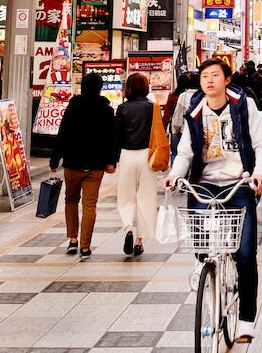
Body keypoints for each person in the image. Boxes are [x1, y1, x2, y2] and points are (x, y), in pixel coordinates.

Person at [166, 58, 262, 344]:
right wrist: (175, 174)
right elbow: (185, 150)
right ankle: (207, 270)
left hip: (239, 184)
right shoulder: (195, 109)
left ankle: (246, 318)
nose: (209, 80)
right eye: (204, 76)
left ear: (227, 80)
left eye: (215, 75)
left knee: (246, 253)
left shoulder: (242, 104)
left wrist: (259, 173)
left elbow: (261, 144)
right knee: (200, 243)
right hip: (205, 184)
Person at [50, 73, 117, 259]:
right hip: (95, 166)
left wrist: (55, 159)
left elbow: (62, 133)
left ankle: (72, 239)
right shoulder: (106, 110)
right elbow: (112, 138)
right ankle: (85, 246)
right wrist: (111, 161)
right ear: (100, 88)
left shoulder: (73, 107)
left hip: (72, 163)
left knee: (71, 200)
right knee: (90, 205)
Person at [114, 72, 156, 256]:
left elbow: (117, 136)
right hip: (147, 155)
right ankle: (139, 240)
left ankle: (128, 229)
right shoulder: (152, 107)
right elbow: (157, 133)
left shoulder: (123, 108)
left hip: (127, 154)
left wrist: (112, 160)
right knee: (145, 197)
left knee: (126, 196)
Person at [166, 74, 198, 164]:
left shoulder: (181, 95)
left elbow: (177, 114)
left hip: (181, 130)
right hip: (198, 131)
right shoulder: (203, 95)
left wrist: (175, 129)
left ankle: (175, 175)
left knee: (176, 152)